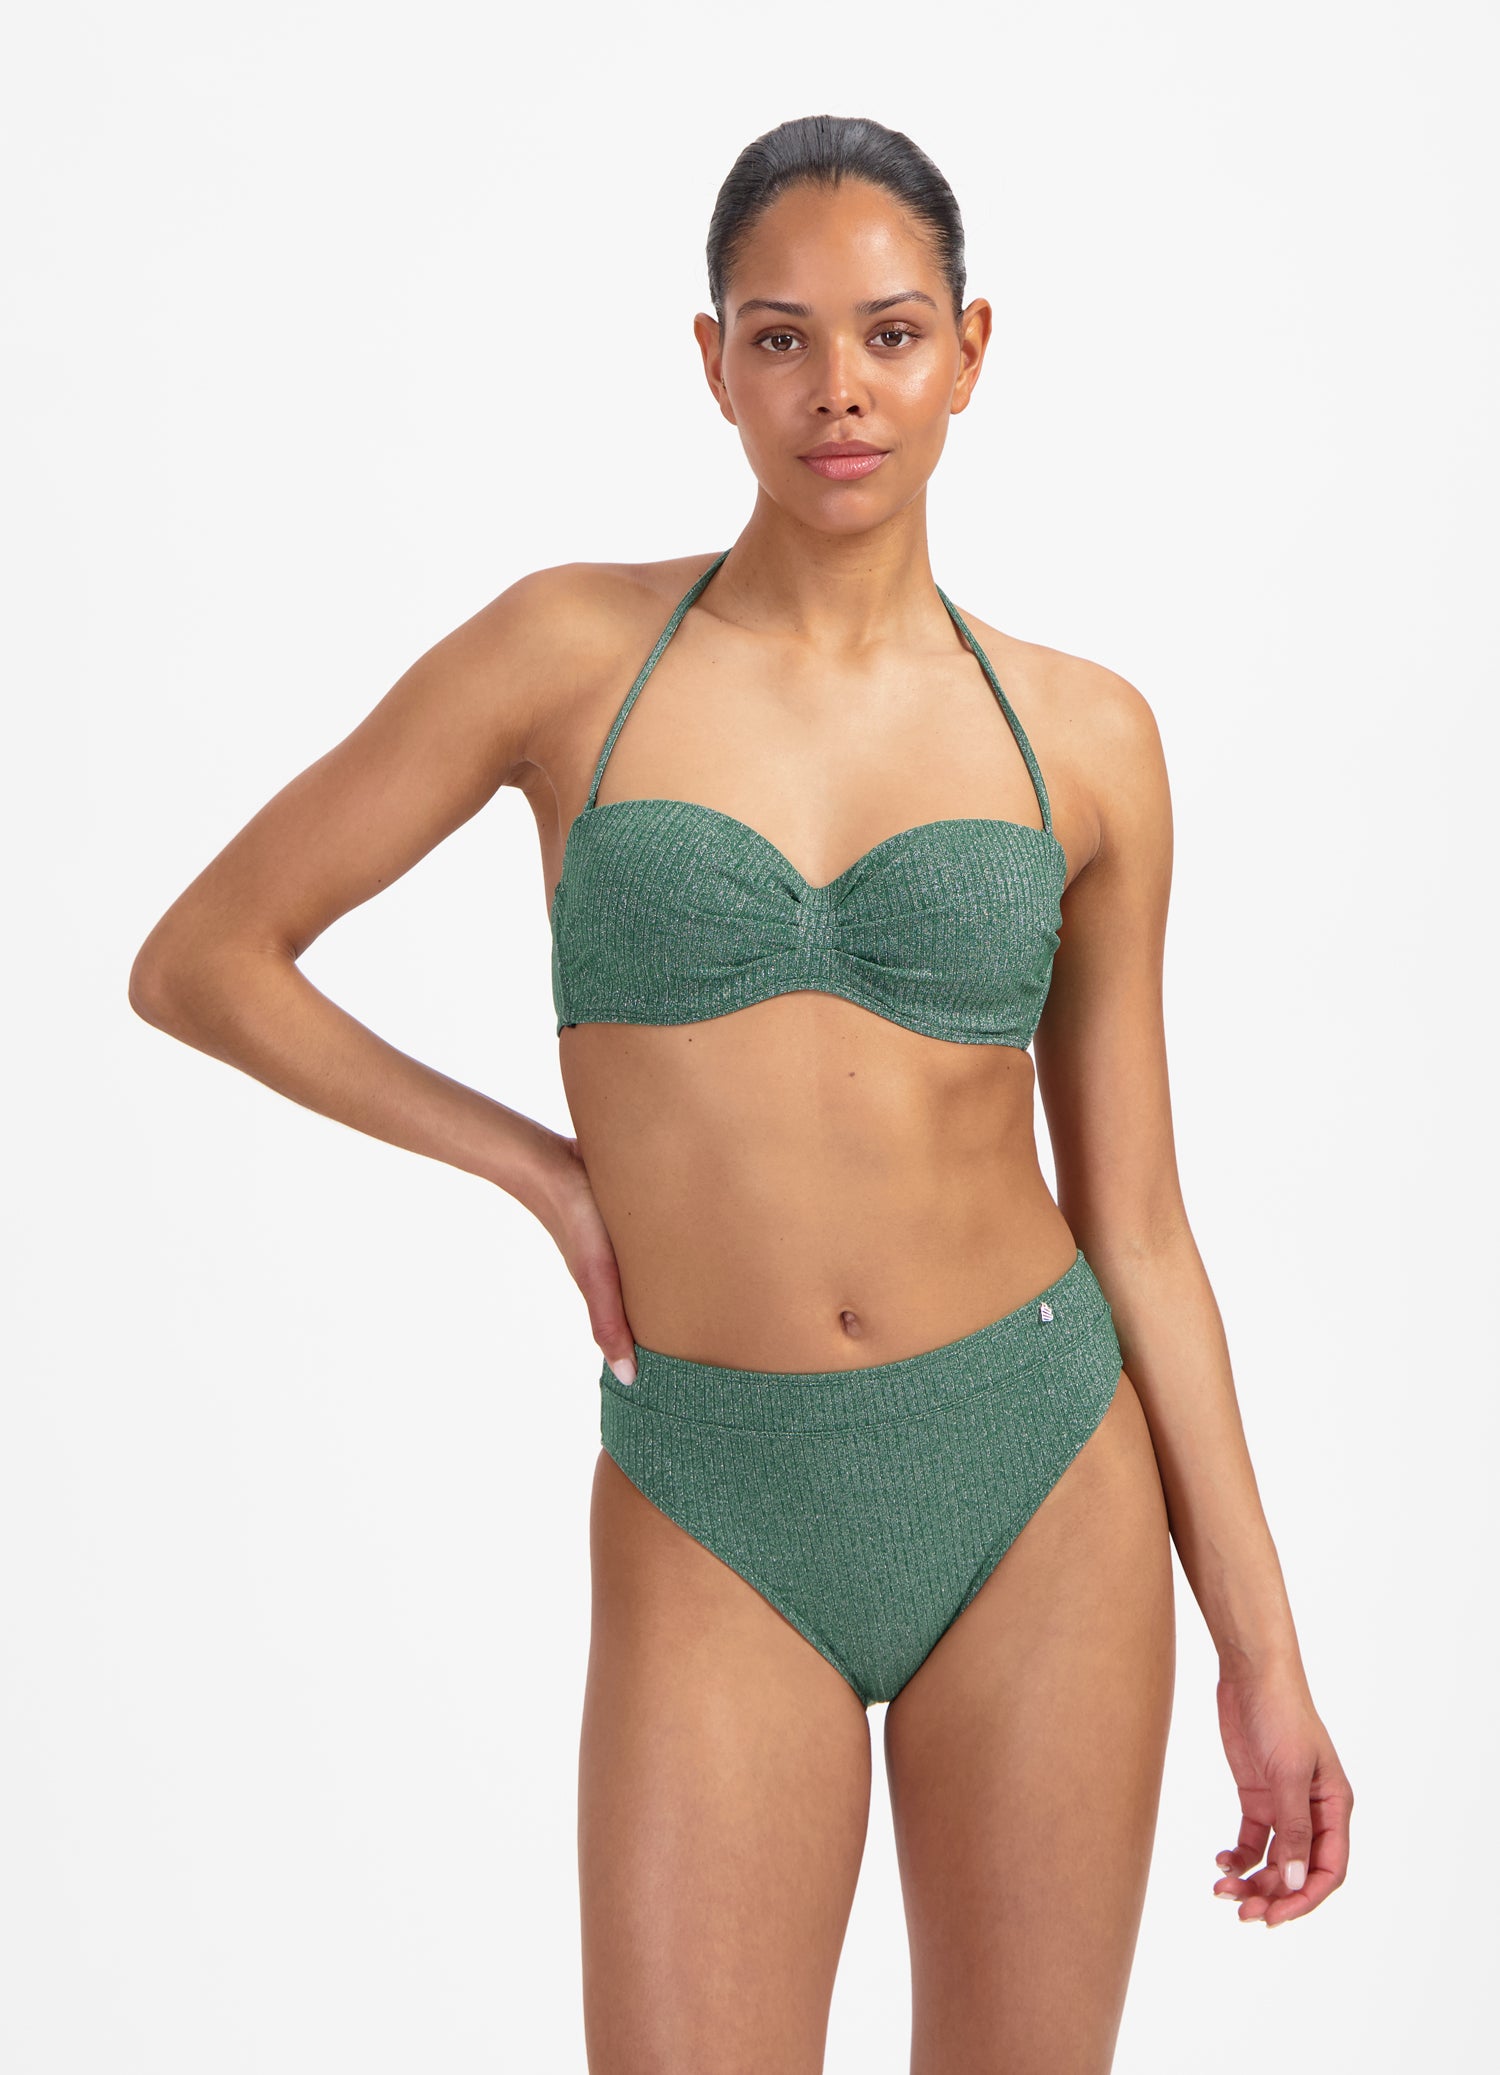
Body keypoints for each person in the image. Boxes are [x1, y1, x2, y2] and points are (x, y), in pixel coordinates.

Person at [129, 113, 1353, 2074]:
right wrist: (545, 1175)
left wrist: (1265, 1655)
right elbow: (204, 961)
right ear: (712, 363)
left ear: (969, 351)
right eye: (781, 338)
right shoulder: (567, 655)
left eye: (889, 334)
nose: (837, 391)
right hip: (713, 1482)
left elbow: (1139, 1223)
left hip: (1038, 1468)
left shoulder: (1086, 737)